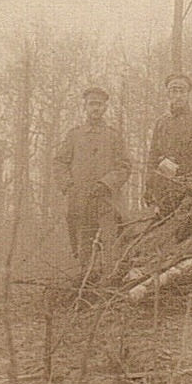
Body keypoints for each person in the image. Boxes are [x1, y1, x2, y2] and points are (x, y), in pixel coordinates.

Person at [54, 86, 131, 265]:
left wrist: (105, 184)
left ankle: (109, 284)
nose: (95, 108)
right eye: (91, 104)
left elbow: (124, 166)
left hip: (107, 202)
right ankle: (85, 286)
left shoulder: (113, 136)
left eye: (99, 104)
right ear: (85, 107)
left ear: (105, 107)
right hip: (81, 203)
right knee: (84, 250)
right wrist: (68, 186)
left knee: (111, 247)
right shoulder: (74, 135)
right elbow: (59, 162)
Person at [144, 72, 192, 216]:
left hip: (190, 188)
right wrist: (149, 186)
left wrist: (182, 168)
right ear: (168, 94)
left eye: (182, 91)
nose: (178, 96)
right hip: (164, 189)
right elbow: (153, 157)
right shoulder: (161, 123)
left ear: (188, 94)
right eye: (174, 91)